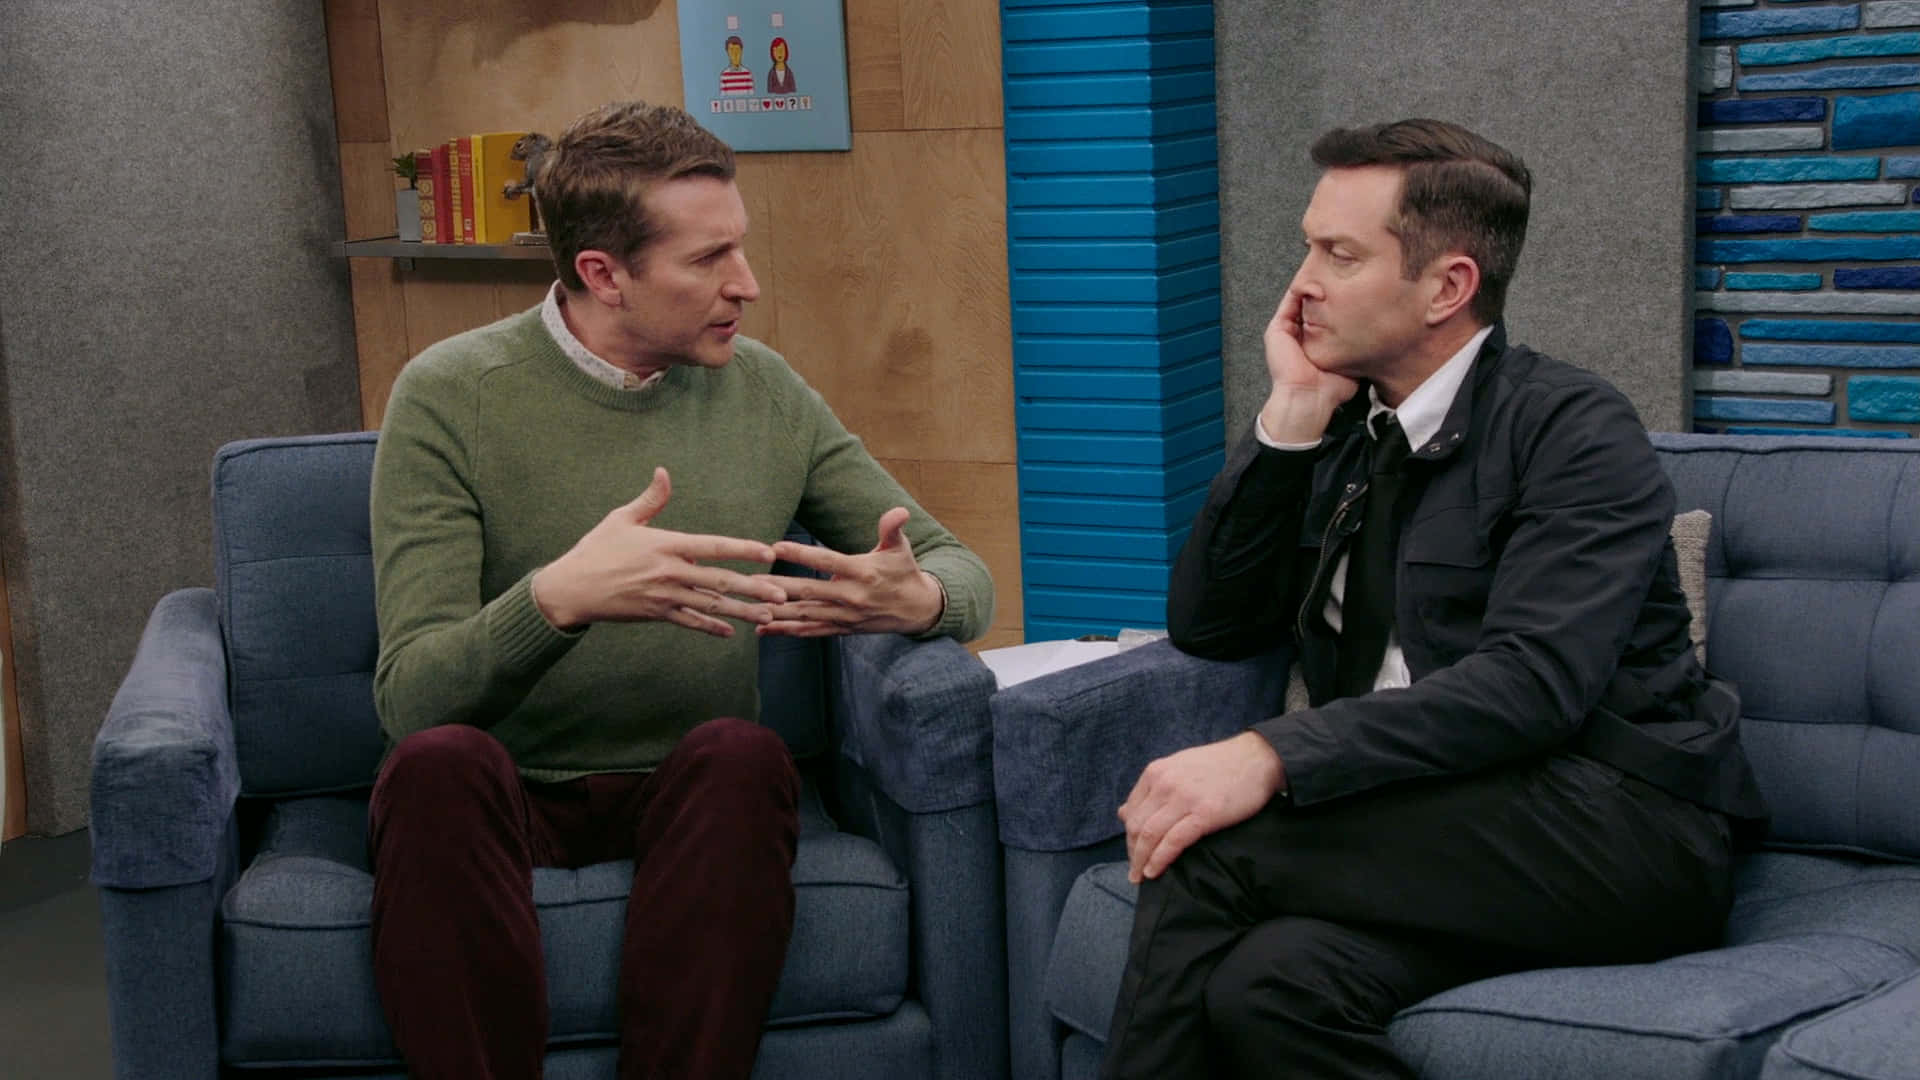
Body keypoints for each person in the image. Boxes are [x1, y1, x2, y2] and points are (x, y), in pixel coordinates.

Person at [1100, 119, 1765, 1080]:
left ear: (1448, 287)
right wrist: (1287, 422)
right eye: (1306, 245)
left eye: (1340, 254)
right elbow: (1213, 625)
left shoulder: (1572, 427)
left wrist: (1271, 753)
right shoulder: (1342, 424)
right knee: (1271, 987)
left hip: (1620, 824)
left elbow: (1534, 684)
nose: (1301, 284)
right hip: (1441, 820)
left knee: (1211, 846)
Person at [366, 99, 993, 1080]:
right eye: (708, 261)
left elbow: (961, 570)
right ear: (602, 275)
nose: (745, 286)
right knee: (435, 767)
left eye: (738, 249)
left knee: (744, 757)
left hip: (691, 796)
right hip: (508, 795)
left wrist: (918, 600)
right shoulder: (448, 395)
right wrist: (557, 599)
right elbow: (411, 701)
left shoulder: (767, 391)